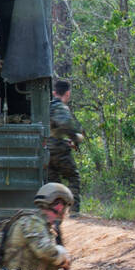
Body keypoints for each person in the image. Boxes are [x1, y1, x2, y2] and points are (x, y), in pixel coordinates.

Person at [48, 80, 85, 214]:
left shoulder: (47, 106)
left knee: (53, 182)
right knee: (73, 177)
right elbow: (65, 124)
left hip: (45, 149)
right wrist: (75, 137)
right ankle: (74, 211)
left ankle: (55, 212)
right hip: (58, 149)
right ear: (68, 93)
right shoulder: (61, 107)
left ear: (54, 92)